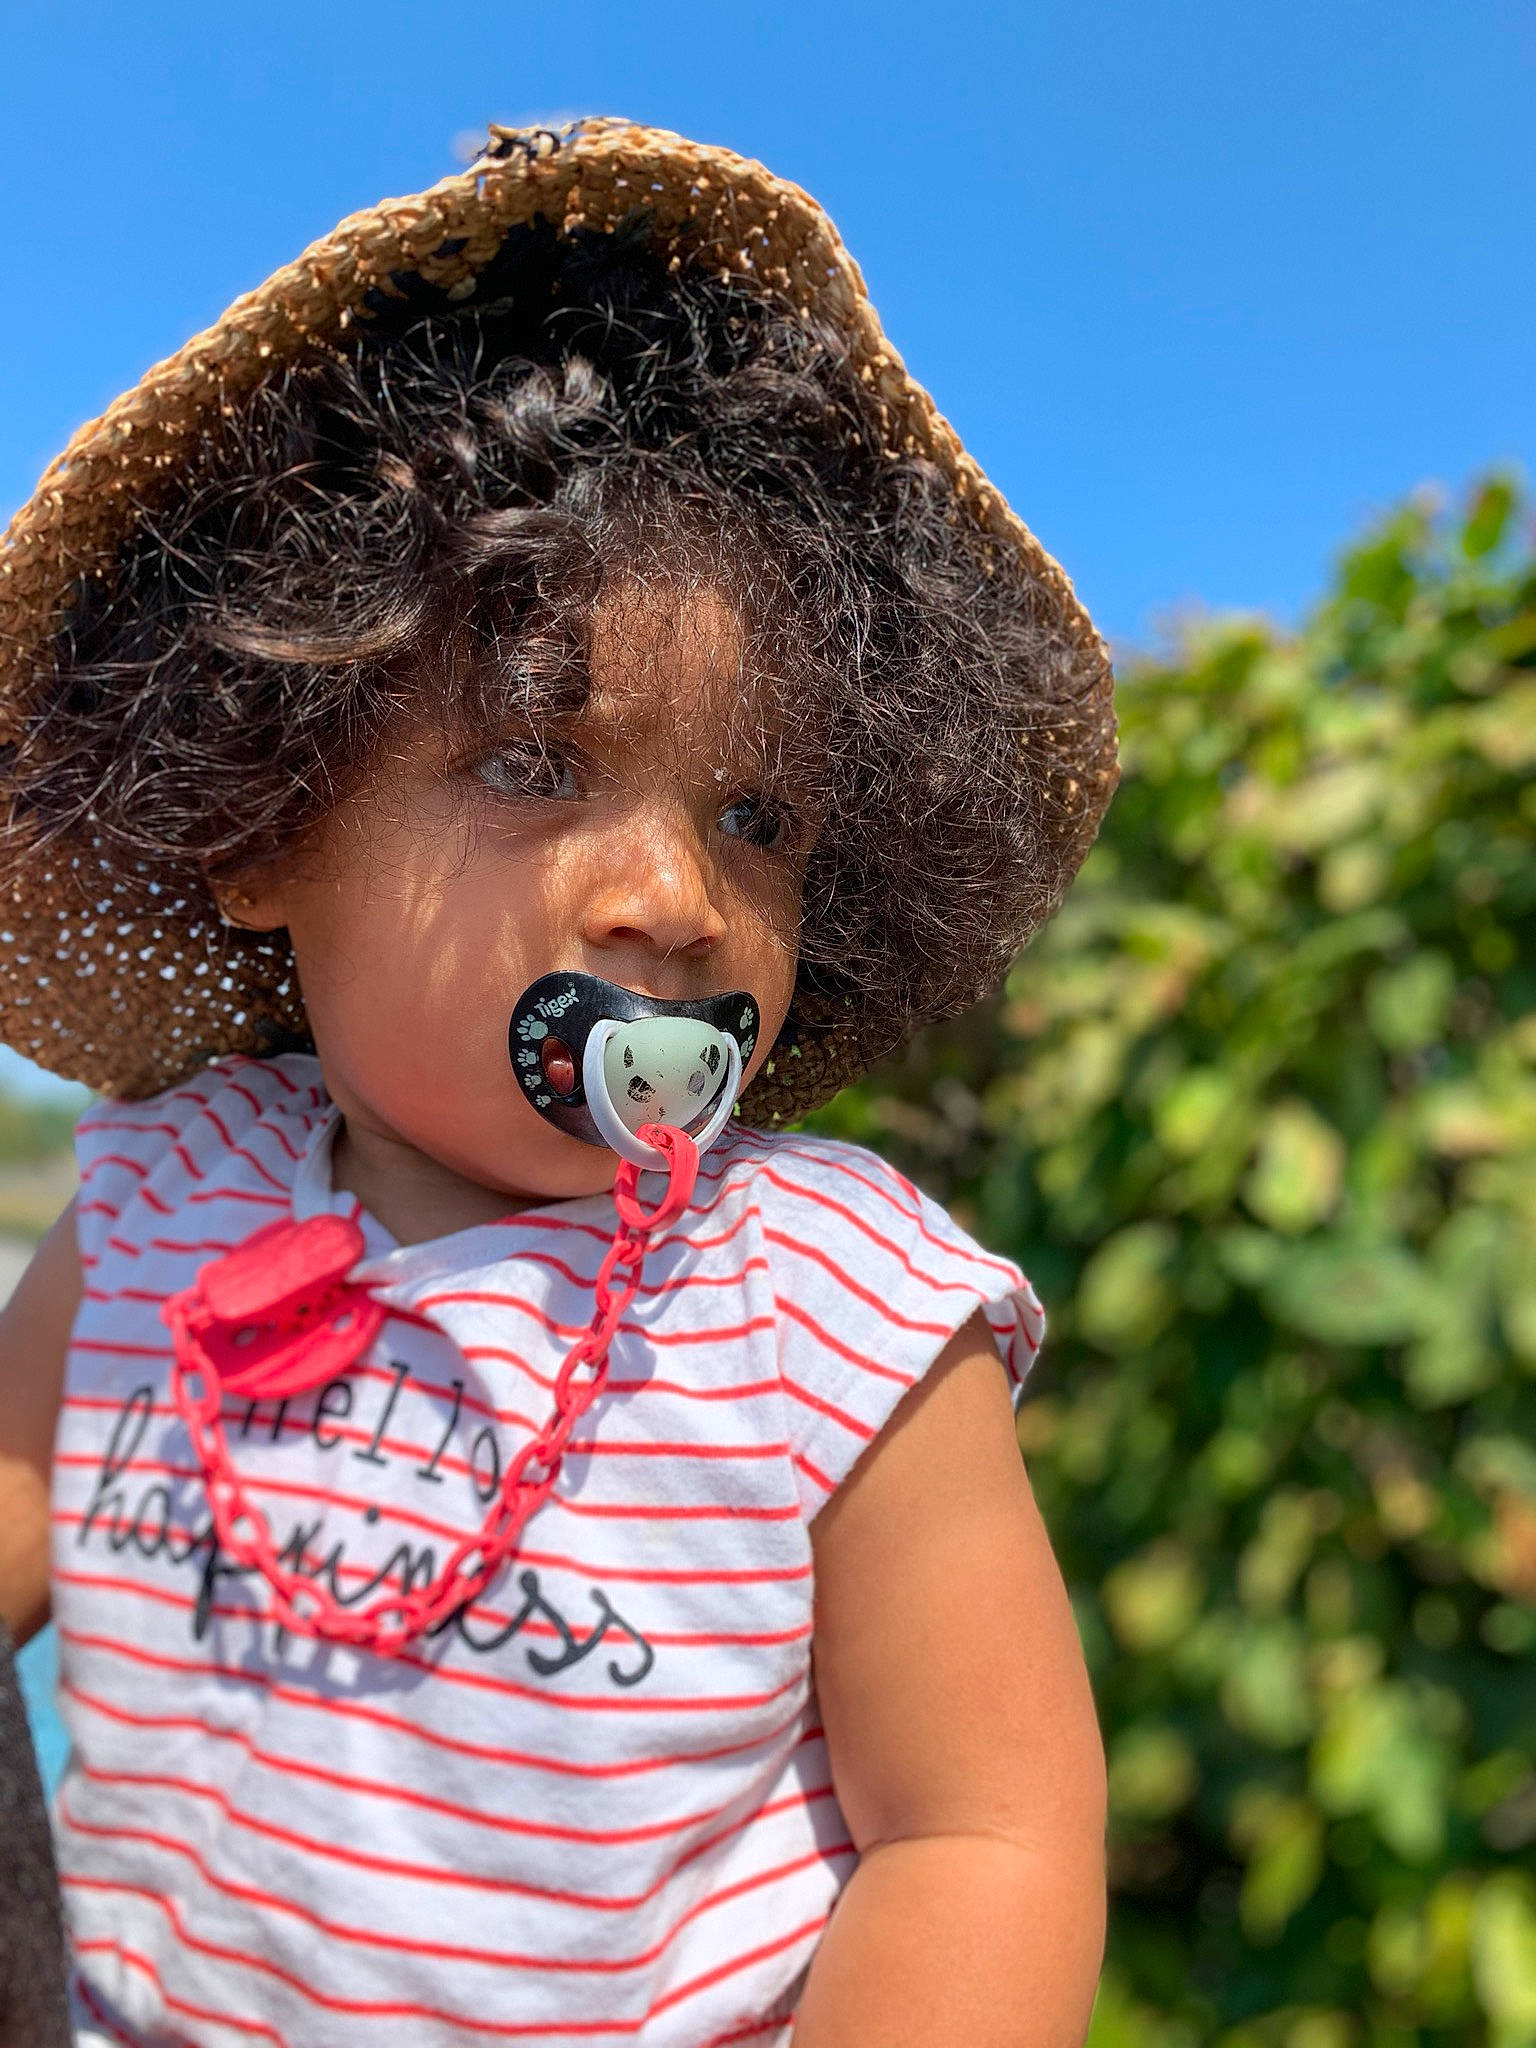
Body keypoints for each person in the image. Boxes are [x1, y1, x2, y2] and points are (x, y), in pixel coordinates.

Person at [0, 121, 1116, 2047]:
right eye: (535, 765)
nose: (676, 896)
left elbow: (988, 1839)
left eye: (757, 820)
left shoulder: (829, 1310)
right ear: (263, 824)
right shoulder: (166, 1193)